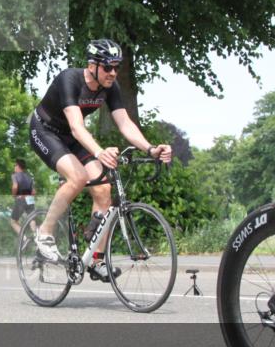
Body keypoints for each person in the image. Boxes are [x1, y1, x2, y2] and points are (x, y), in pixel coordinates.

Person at [28, 38, 172, 282]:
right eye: (107, 67)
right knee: (78, 177)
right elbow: (77, 126)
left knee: (104, 189)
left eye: (116, 67)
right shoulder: (69, 79)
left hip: (72, 137)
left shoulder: (110, 87)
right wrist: (98, 152)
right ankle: (44, 233)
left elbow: (125, 123)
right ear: (92, 65)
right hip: (45, 131)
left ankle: (96, 260)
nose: (113, 73)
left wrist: (150, 149)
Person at [9, 159, 36, 235]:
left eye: (15, 165)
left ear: (18, 166)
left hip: (20, 199)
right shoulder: (29, 177)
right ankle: (36, 237)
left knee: (13, 222)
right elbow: (34, 192)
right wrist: (28, 196)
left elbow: (15, 187)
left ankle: (24, 239)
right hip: (30, 199)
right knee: (32, 219)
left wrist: (14, 195)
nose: (14, 167)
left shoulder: (15, 175)